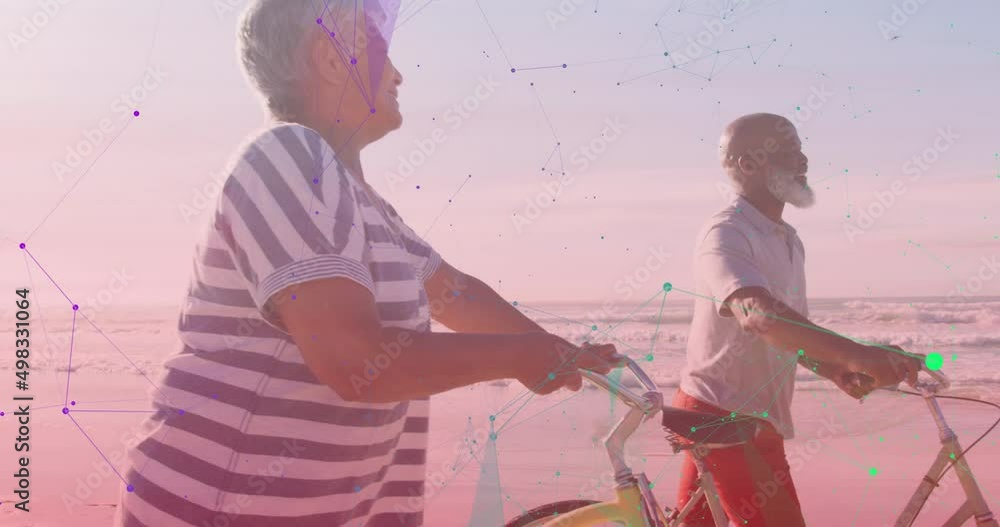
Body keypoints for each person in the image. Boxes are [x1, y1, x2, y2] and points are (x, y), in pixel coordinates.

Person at [114, 1, 620, 525]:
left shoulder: (366, 202)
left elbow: (456, 293)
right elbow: (355, 360)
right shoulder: (288, 155)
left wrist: (564, 355)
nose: (399, 75)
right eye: (381, 53)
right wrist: (520, 357)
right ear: (332, 60)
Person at [674, 113, 924, 526]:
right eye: (789, 152)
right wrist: (860, 355)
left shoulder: (788, 240)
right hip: (723, 416)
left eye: (801, 150)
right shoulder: (726, 233)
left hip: (754, 417)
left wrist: (832, 369)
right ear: (749, 164)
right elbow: (757, 316)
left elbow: (787, 335)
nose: (804, 161)